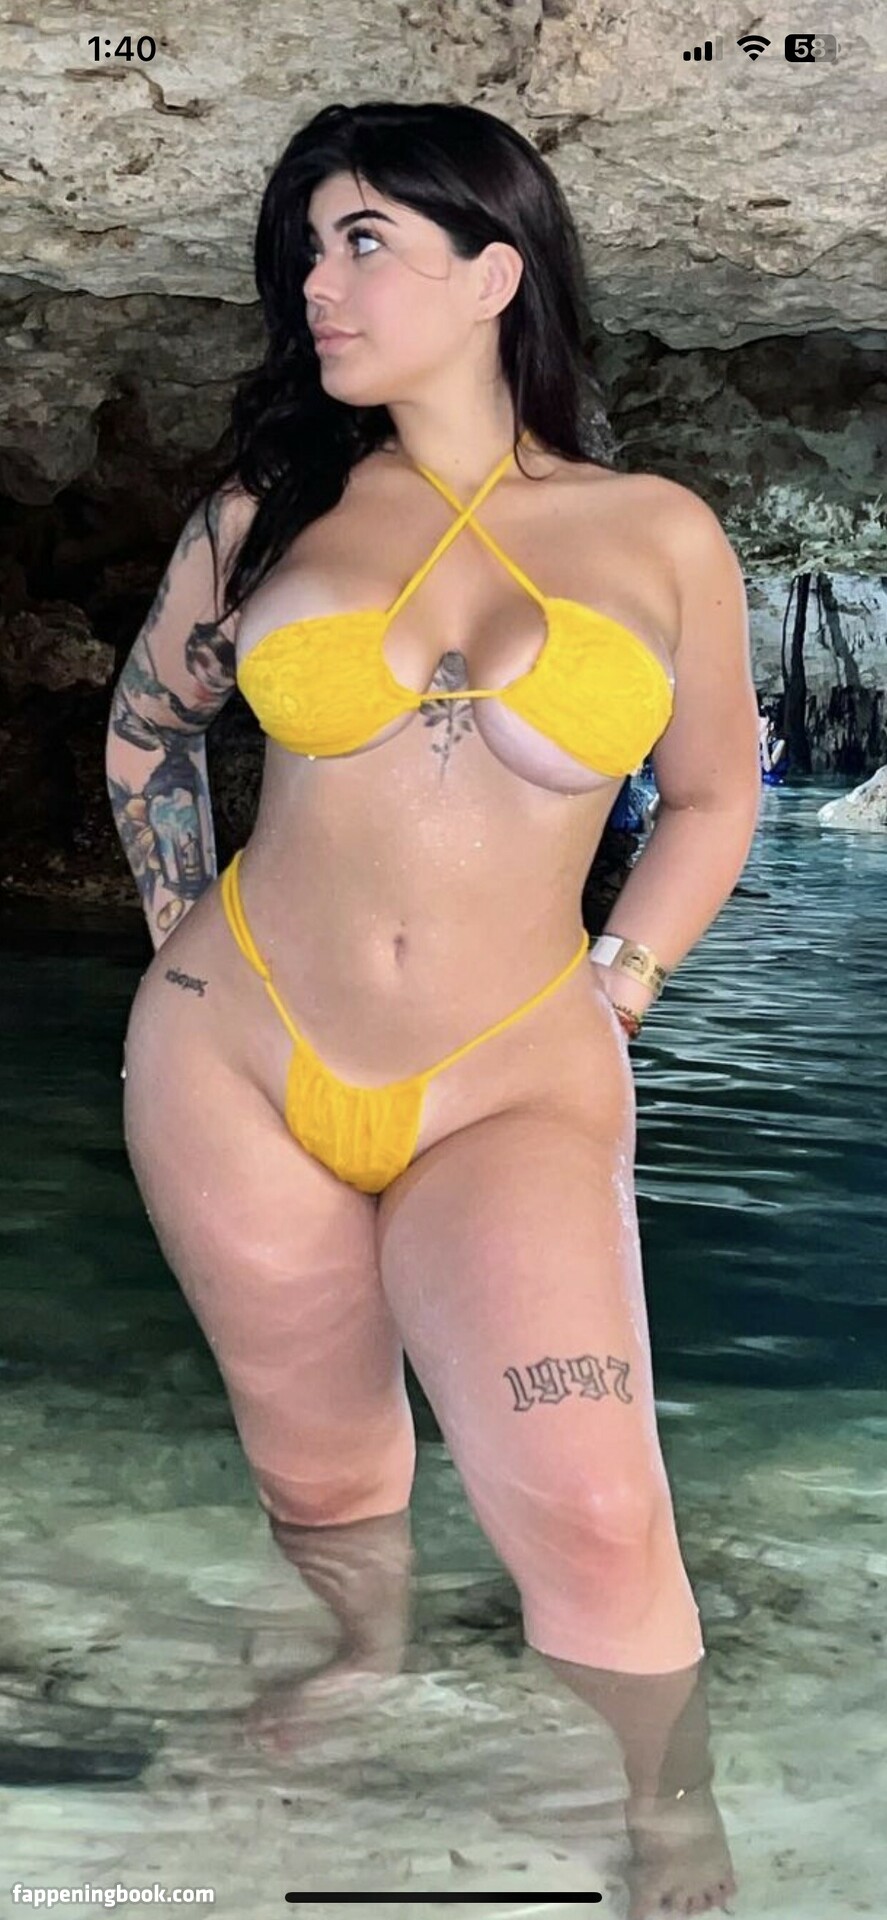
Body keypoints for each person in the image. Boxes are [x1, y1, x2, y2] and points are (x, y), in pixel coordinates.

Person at [108, 100, 760, 1917]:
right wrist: (178, 953)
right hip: (237, 1062)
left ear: (495, 272)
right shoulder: (266, 517)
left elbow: (715, 798)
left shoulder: (658, 533)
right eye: (307, 252)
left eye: (364, 242)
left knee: (600, 1507)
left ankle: (669, 1816)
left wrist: (624, 980)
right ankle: (360, 1666)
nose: (316, 287)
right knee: (326, 1479)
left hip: (512, 1082)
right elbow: (149, 733)